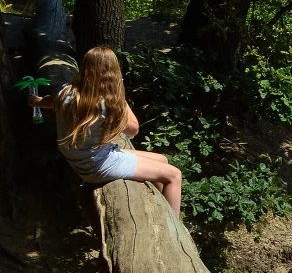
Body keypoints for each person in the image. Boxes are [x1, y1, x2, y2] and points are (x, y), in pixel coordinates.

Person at [28, 46, 182, 215]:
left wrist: (37, 101)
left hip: (82, 159)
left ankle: (160, 212)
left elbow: (52, 101)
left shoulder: (67, 92)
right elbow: (133, 129)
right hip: (98, 165)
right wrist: (119, 96)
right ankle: (177, 228)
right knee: (174, 175)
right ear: (112, 72)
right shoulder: (105, 104)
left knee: (162, 160)